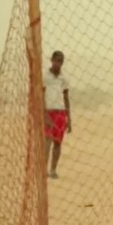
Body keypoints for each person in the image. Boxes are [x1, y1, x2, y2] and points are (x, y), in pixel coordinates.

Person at [43, 50, 71, 179]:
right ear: (52, 60)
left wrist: (68, 118)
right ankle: (43, 169)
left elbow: (66, 97)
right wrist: (44, 114)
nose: (58, 64)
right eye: (57, 60)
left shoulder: (64, 78)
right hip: (49, 111)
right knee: (47, 141)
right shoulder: (44, 76)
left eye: (61, 61)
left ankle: (53, 170)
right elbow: (40, 95)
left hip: (61, 112)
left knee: (58, 143)